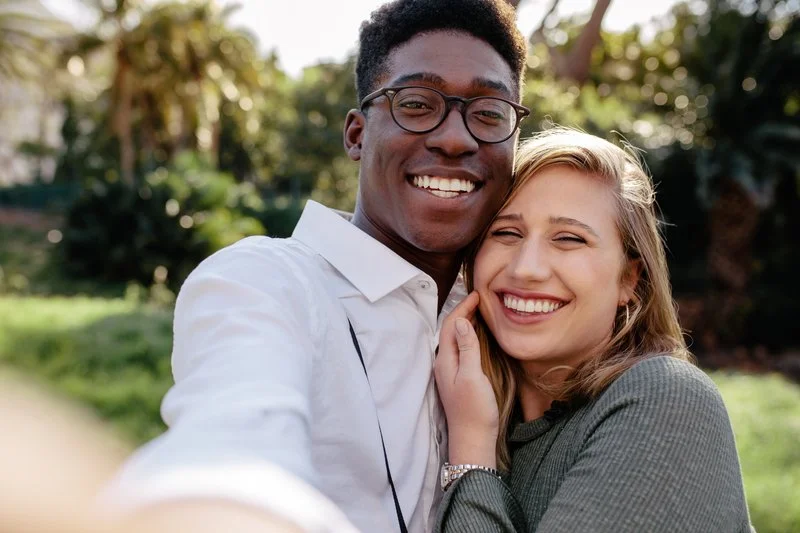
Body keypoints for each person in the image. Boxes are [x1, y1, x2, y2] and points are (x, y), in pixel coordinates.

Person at [108, 1, 529, 532]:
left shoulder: (505, 312)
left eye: (489, 113)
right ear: (356, 135)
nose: (454, 137)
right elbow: (231, 444)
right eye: (417, 104)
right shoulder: (265, 282)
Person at [433, 128, 753, 532]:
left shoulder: (667, 399)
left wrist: (472, 453)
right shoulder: (466, 405)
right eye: (506, 232)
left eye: (569, 238)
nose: (525, 268)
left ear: (629, 280)